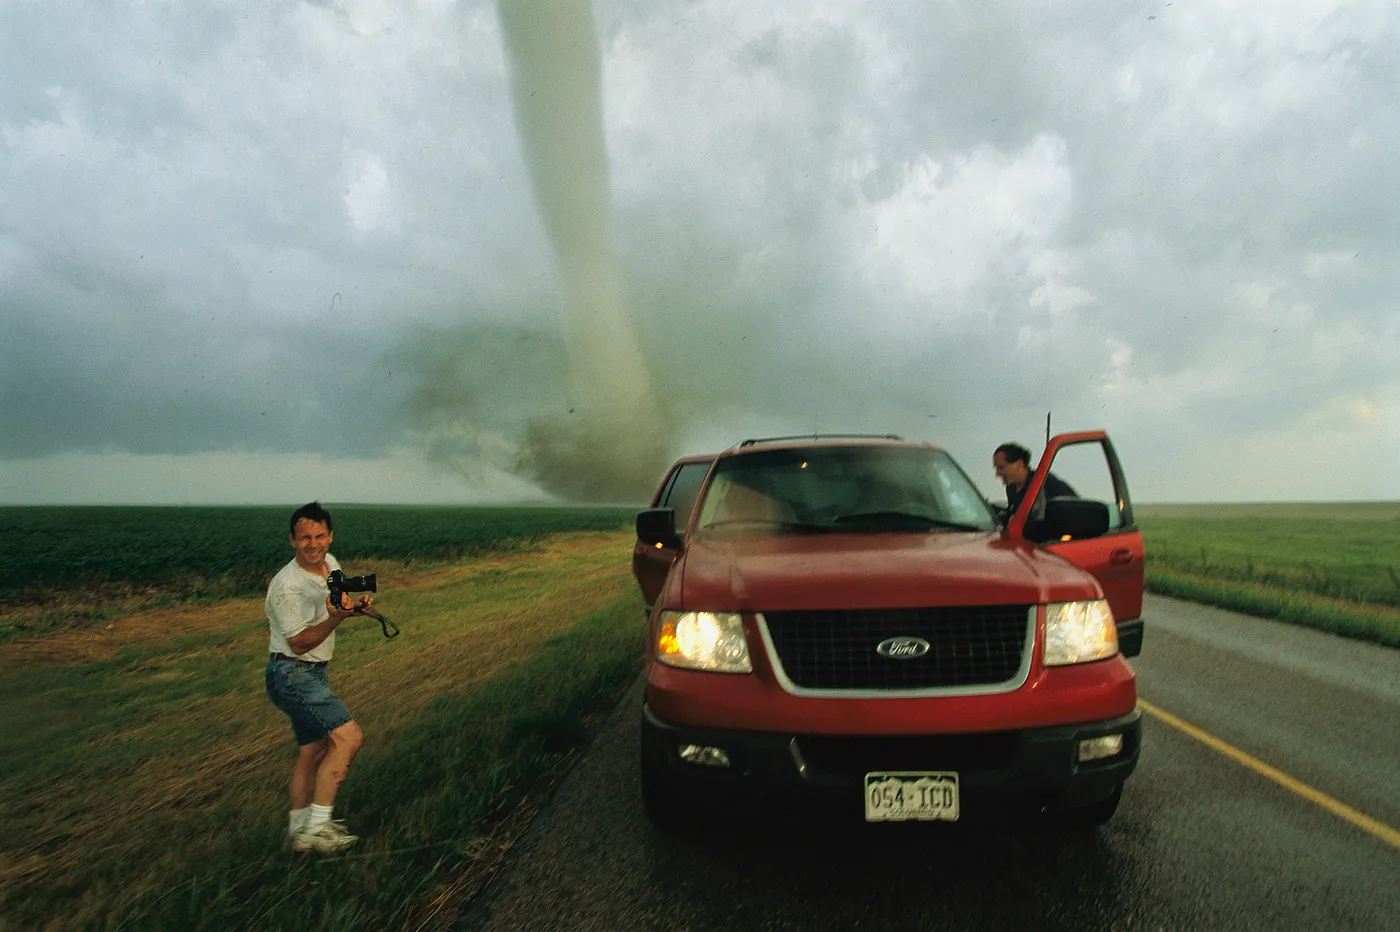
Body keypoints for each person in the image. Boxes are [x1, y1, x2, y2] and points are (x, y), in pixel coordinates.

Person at [264, 501, 371, 854]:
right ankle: (319, 830)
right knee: (349, 738)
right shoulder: (286, 586)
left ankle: (298, 833)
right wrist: (336, 619)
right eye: (304, 537)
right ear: (292, 540)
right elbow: (298, 643)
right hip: (291, 672)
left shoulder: (331, 563)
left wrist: (351, 608)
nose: (313, 544)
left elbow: (335, 598)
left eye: (320, 535)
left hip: (312, 672)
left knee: (313, 751)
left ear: (330, 535)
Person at [992, 442, 1077, 519]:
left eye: (1001, 467)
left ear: (1019, 464)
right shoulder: (1012, 488)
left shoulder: (1046, 484)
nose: (997, 474)